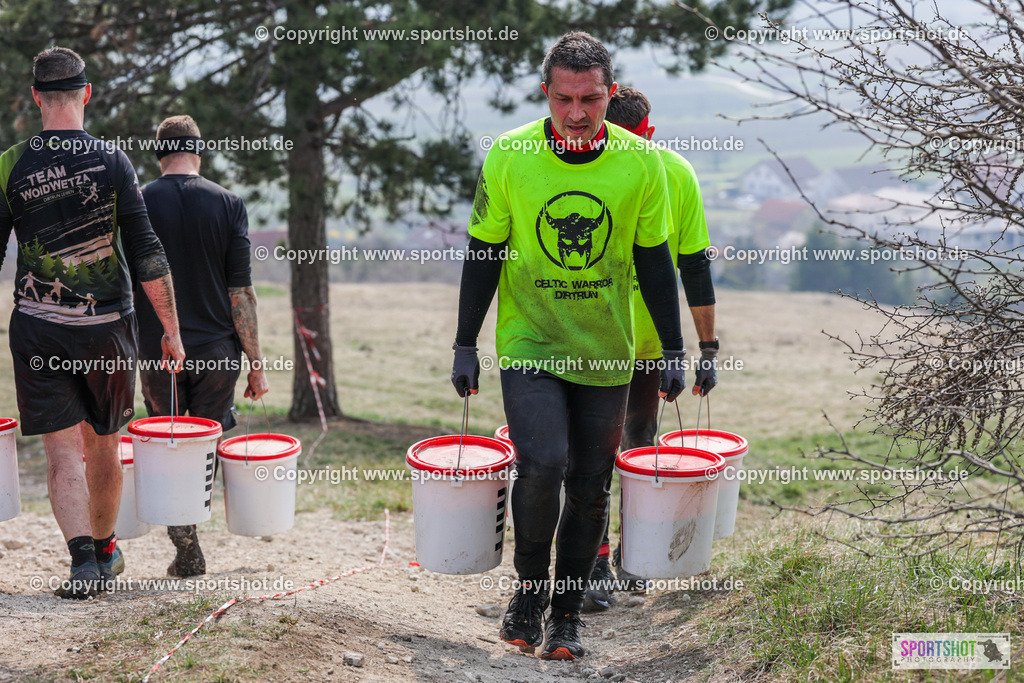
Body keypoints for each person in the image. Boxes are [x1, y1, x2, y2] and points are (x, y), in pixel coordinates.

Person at [451, 32, 686, 660]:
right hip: (529, 341)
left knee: (589, 482)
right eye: (564, 99)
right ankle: (528, 592)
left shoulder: (641, 164)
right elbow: (483, 252)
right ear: (546, 94)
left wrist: (673, 348)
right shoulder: (510, 154)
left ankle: (566, 614)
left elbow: (656, 262)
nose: (577, 113)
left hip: (605, 349)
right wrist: (464, 343)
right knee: (544, 463)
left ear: (609, 94)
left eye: (590, 99)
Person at [0, 47, 185, 599]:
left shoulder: (10, 163)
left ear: (36, 97)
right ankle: (103, 550)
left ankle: (82, 562)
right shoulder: (113, 161)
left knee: (61, 453)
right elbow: (148, 251)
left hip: (37, 328)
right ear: (85, 94)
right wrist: (171, 331)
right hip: (106, 327)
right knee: (104, 443)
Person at [583, 86, 719, 611]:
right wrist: (704, 349)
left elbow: (693, 264)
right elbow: (697, 269)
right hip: (593, 344)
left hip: (638, 347)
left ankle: (626, 559)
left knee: (626, 453)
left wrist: (704, 348)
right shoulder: (666, 167)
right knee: (610, 453)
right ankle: (596, 562)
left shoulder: (674, 174)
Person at [136, 115, 269, 578]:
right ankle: (189, 534)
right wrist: (257, 364)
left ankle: (184, 540)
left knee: (167, 442)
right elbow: (241, 294)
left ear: (159, 153)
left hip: (157, 349)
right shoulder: (229, 203)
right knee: (205, 441)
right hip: (217, 350)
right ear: (199, 151)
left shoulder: (137, 201)